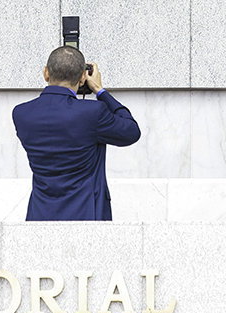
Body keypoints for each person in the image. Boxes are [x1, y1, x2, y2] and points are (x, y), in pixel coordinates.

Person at [12, 45, 141, 221]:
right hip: (86, 214)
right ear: (82, 78)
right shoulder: (92, 113)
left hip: (39, 215)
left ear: (46, 73)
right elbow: (131, 131)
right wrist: (100, 91)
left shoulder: (21, 114)